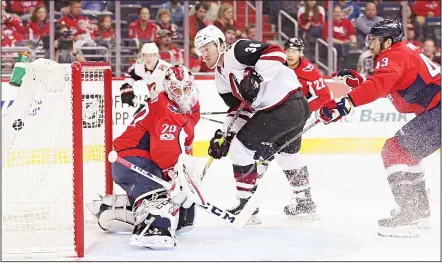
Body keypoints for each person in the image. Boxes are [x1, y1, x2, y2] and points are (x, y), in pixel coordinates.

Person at [318, 19, 440, 238]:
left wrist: (347, 101)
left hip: (438, 110)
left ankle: (407, 216)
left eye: (374, 39)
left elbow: (380, 85)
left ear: (387, 42)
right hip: (436, 110)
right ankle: (419, 210)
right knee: (409, 154)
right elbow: (391, 83)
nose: (370, 43)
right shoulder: (402, 51)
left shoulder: (392, 55)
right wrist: (361, 83)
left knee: (394, 151)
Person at [194, 25, 311, 224]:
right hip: (296, 108)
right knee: (287, 156)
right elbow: (239, 109)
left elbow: (276, 52)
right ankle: (305, 203)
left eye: (207, 48)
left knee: (240, 150)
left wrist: (256, 77)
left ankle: (247, 206)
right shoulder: (220, 78)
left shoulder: (237, 51)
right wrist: (224, 135)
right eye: (200, 51)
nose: (203, 55)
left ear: (220, 44)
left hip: (283, 107)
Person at [87, 65, 201, 249]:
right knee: (162, 199)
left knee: (183, 215)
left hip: (142, 159)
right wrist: (174, 174)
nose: (181, 93)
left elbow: (181, 140)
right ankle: (151, 230)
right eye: (175, 89)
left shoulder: (188, 105)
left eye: (185, 88)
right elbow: (163, 150)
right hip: (133, 160)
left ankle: (110, 210)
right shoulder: (166, 109)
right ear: (167, 87)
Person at [279, 37, 331, 218]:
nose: (290, 54)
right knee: (283, 157)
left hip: (294, 119)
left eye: (294, 51)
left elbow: (324, 95)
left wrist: (303, 110)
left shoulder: (309, 70)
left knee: (287, 157)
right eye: (288, 50)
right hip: (274, 117)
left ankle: (304, 200)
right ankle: (304, 200)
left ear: (301, 52)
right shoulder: (277, 66)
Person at [120, 42, 172, 115]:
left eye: (151, 55)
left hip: (169, 103)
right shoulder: (139, 65)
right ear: (142, 56)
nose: (148, 59)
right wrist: (127, 88)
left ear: (156, 56)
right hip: (153, 100)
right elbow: (130, 75)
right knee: (138, 118)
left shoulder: (166, 69)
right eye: (146, 55)